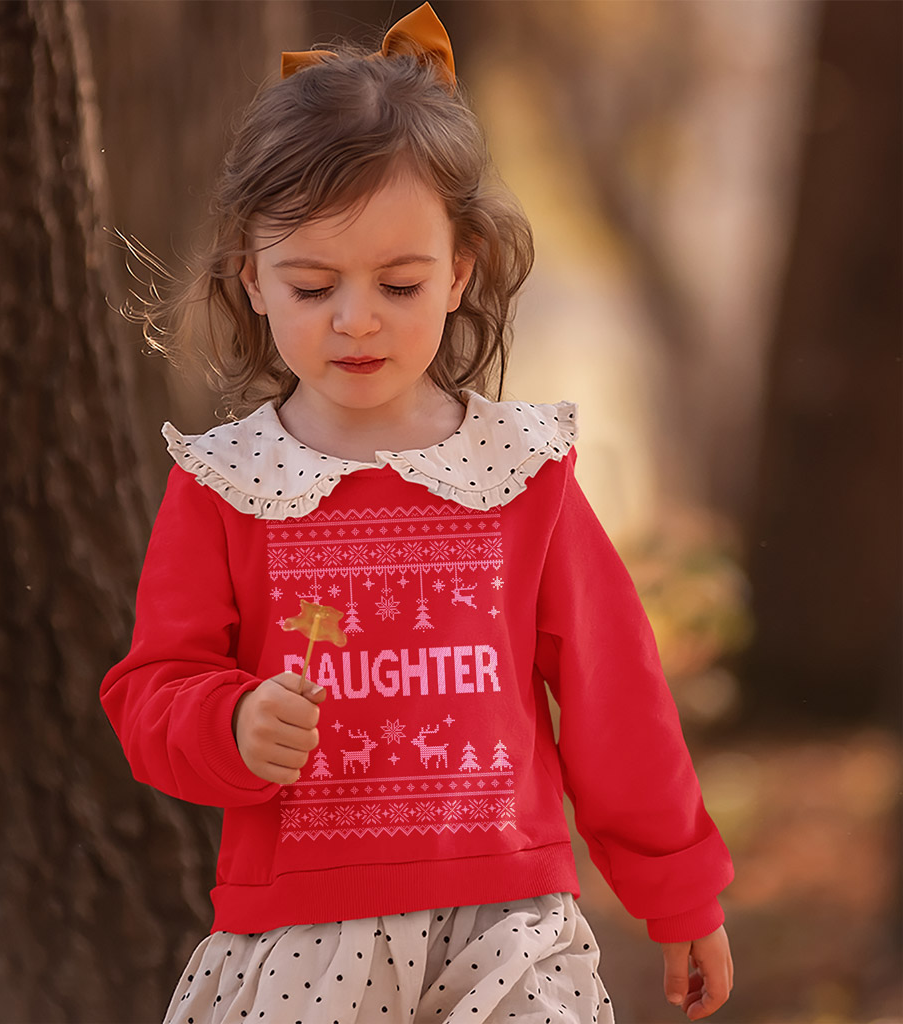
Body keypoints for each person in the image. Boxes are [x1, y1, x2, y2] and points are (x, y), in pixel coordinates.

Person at [100, 5, 734, 1022]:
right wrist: (226, 718)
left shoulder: (518, 472)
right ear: (250, 279)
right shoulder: (227, 481)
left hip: (510, 930)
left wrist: (679, 891)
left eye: (398, 282)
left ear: (460, 271)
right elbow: (149, 690)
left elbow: (616, 692)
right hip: (302, 939)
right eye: (313, 284)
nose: (356, 319)